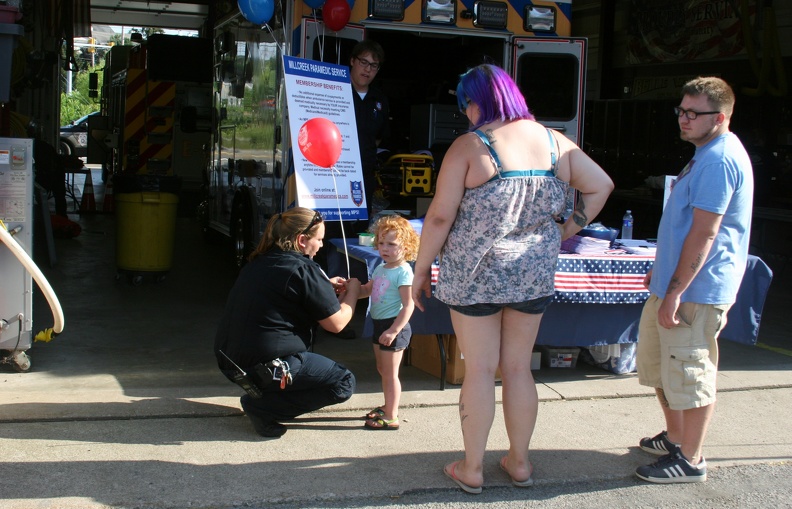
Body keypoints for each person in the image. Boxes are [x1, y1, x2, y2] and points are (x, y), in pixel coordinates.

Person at [411, 64, 613, 494]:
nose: (465, 111)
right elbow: (601, 186)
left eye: (466, 102)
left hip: (474, 276)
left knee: (480, 371)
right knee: (519, 368)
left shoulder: (471, 146)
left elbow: (441, 215)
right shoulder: (556, 142)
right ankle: (520, 463)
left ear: (480, 100)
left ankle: (472, 469)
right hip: (532, 274)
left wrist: (421, 268)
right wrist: (566, 228)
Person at [634, 77, 754, 484]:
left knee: (690, 370)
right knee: (661, 367)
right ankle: (676, 437)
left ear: (719, 118)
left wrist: (676, 290)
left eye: (693, 113)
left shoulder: (719, 160)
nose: (683, 119)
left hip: (696, 293)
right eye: (681, 111)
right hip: (675, 286)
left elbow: (705, 232)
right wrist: (663, 270)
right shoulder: (706, 153)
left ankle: (690, 458)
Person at [214, 207, 362, 438]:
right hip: (269, 365)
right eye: (319, 240)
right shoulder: (303, 269)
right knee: (343, 382)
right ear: (302, 240)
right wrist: (353, 291)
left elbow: (294, 291)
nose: (321, 245)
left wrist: (324, 286)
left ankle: (267, 397)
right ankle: (263, 407)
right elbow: (337, 324)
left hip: (232, 362)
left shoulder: (259, 261)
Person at [357, 215, 420, 430]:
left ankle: (391, 416)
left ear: (406, 246)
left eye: (391, 244)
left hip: (393, 326)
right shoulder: (381, 268)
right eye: (381, 243)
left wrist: (394, 330)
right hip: (379, 325)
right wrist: (351, 289)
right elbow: (368, 290)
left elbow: (408, 305)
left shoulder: (403, 271)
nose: (385, 248)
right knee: (382, 369)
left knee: (390, 373)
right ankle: (388, 405)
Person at [350, 39, 390, 225]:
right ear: (352, 61)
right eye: (363, 62)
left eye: (373, 66)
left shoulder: (379, 100)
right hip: (333, 173)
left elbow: (380, 137)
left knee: (359, 227)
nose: (367, 70)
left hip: (364, 175)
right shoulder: (335, 90)